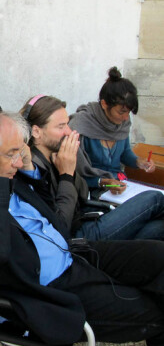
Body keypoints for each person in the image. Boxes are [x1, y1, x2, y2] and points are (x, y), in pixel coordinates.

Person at [0, 110, 164, 346]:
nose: (18, 162)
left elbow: (54, 218)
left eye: (20, 152)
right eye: (12, 154)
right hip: (44, 292)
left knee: (159, 254)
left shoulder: (5, 170)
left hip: (73, 255)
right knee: (154, 311)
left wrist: (29, 167)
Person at [20, 94, 164, 241]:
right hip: (78, 235)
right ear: (36, 131)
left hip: (93, 210)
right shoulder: (32, 169)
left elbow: (84, 188)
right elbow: (61, 224)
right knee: (155, 198)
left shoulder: (57, 155)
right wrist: (66, 175)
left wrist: (106, 182)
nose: (69, 132)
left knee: (156, 228)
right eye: (61, 126)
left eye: (67, 124)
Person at [69, 66, 156, 191]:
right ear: (104, 104)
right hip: (91, 187)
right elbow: (75, 170)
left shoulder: (123, 123)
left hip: (120, 183)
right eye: (121, 112)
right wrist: (107, 184)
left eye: (129, 112)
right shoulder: (80, 124)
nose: (126, 118)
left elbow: (125, 154)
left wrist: (139, 162)